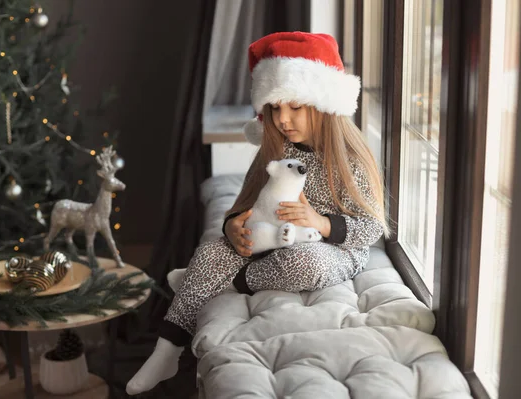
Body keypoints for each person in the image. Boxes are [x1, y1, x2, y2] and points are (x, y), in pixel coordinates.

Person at [126, 31, 390, 395]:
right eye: (274, 108)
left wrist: (321, 222)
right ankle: (167, 348)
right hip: (272, 238)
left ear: (323, 103)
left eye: (294, 107)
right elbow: (244, 206)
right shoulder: (277, 149)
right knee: (212, 251)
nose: (282, 119)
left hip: (333, 250)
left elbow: (372, 227)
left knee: (304, 263)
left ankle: (218, 281)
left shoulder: (349, 159)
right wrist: (234, 227)